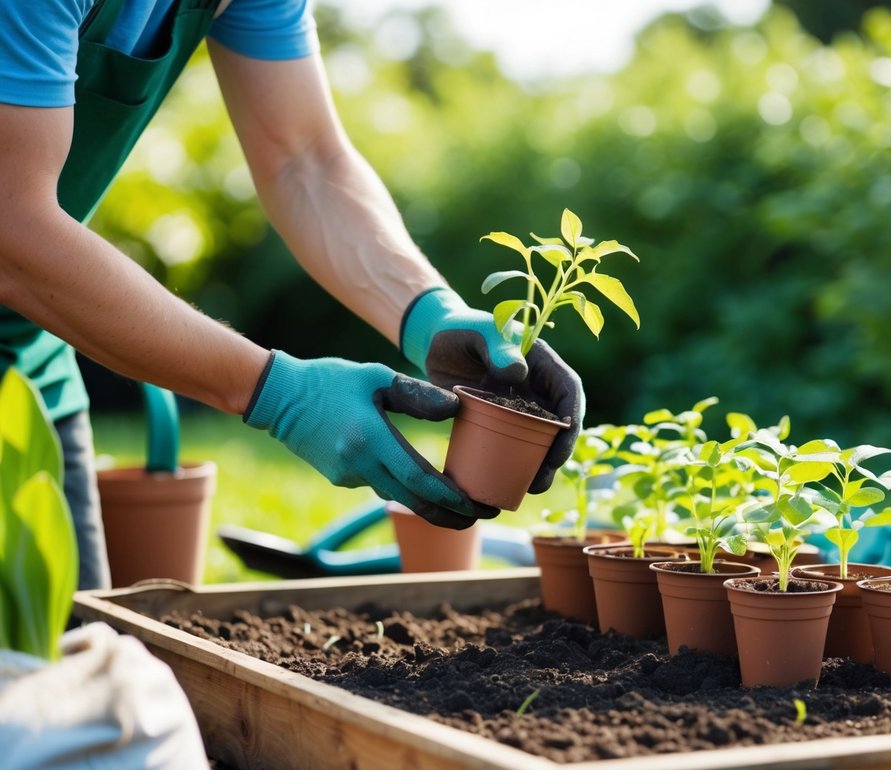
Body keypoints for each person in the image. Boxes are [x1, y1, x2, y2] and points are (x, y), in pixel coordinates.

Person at [0, 0, 583, 591]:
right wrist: (280, 394)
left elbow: (304, 158)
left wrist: (431, 314)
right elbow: (11, 225)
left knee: (72, 660)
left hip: (27, 368)